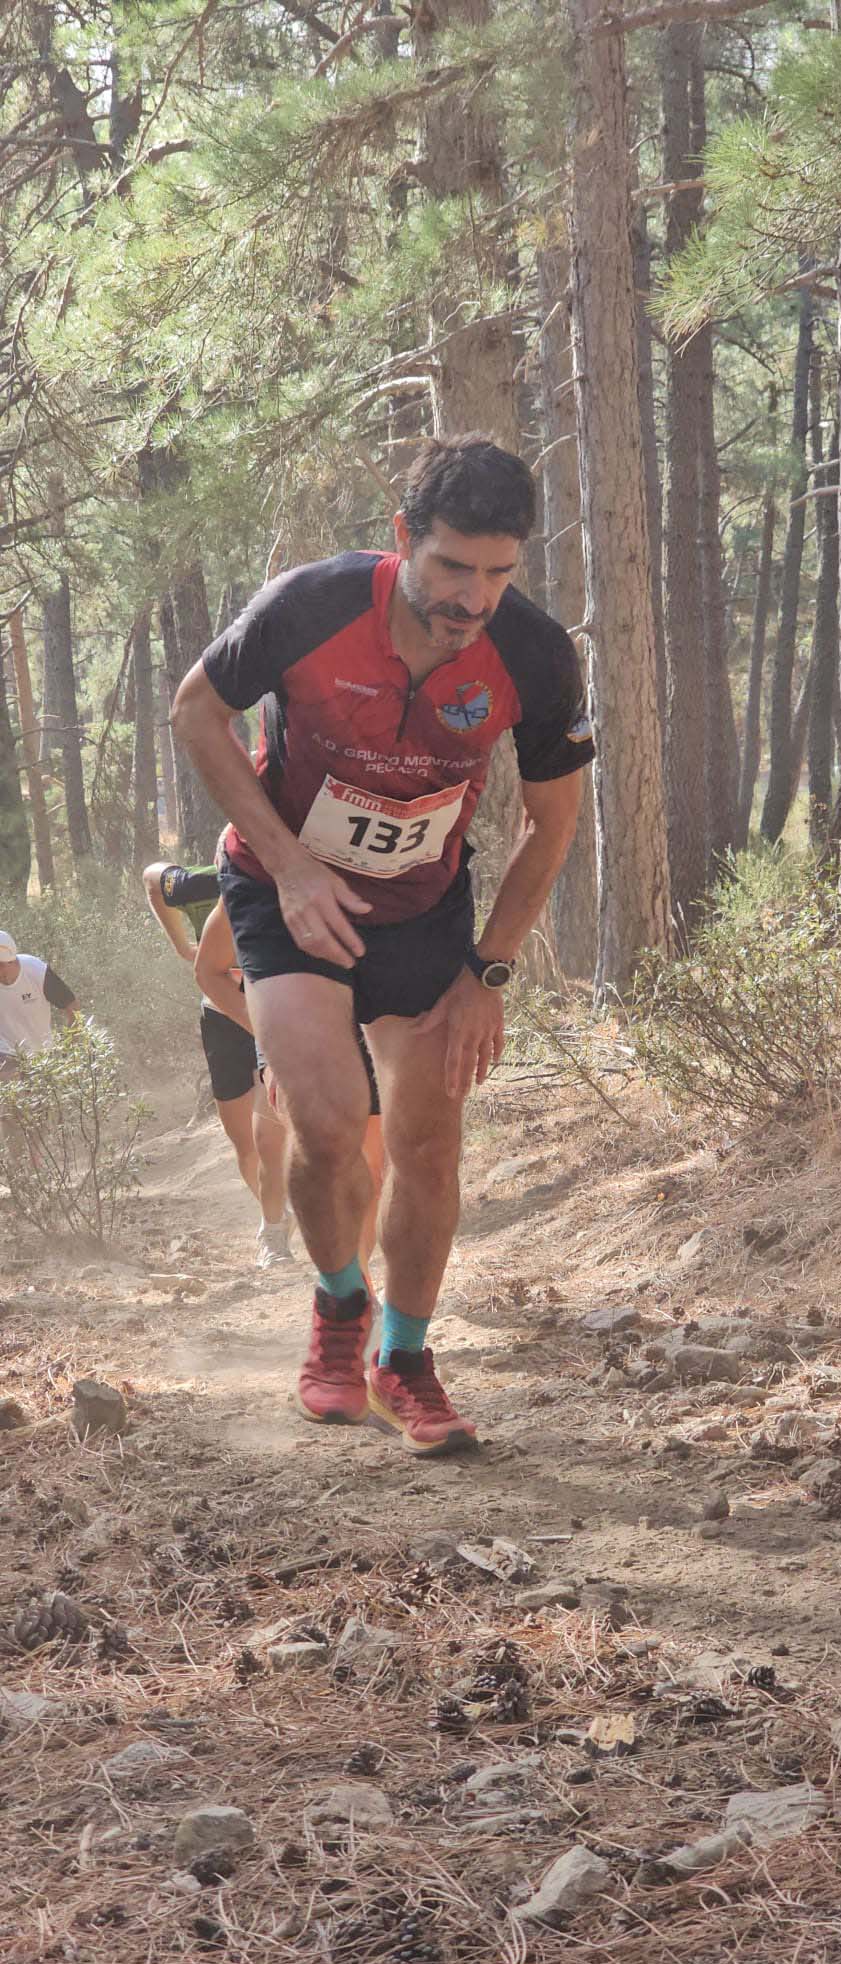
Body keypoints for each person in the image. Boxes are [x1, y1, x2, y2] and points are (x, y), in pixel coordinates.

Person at [171, 433, 594, 1453]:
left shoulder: (534, 653)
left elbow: (552, 822)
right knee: (325, 1124)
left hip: (424, 912)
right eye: (451, 567)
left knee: (428, 1141)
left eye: (498, 572)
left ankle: (403, 1358)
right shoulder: (310, 605)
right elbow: (196, 712)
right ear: (404, 535)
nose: (472, 598)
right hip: (287, 891)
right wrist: (291, 863)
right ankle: (337, 1308)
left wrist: (488, 969)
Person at [193, 899, 385, 1286]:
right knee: (275, 1143)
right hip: (280, 1021)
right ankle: (279, 1233)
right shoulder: (246, 877)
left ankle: (357, 1287)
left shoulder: (368, 873)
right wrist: (268, 1033)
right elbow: (207, 969)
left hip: (359, 1017)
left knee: (370, 1163)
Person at [143, 860, 292, 1268]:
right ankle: (277, 1214)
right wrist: (181, 946)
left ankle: (274, 1233)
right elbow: (152, 877)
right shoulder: (203, 883)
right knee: (244, 1143)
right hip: (222, 1015)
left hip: (279, 1013)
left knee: (269, 1135)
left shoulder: (300, 876)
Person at [0, 930, 79, 1077]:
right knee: (8, 1077)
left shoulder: (36, 971)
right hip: (6, 1051)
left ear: (8, 962)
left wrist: (70, 1048)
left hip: (43, 1053)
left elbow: (72, 1007)